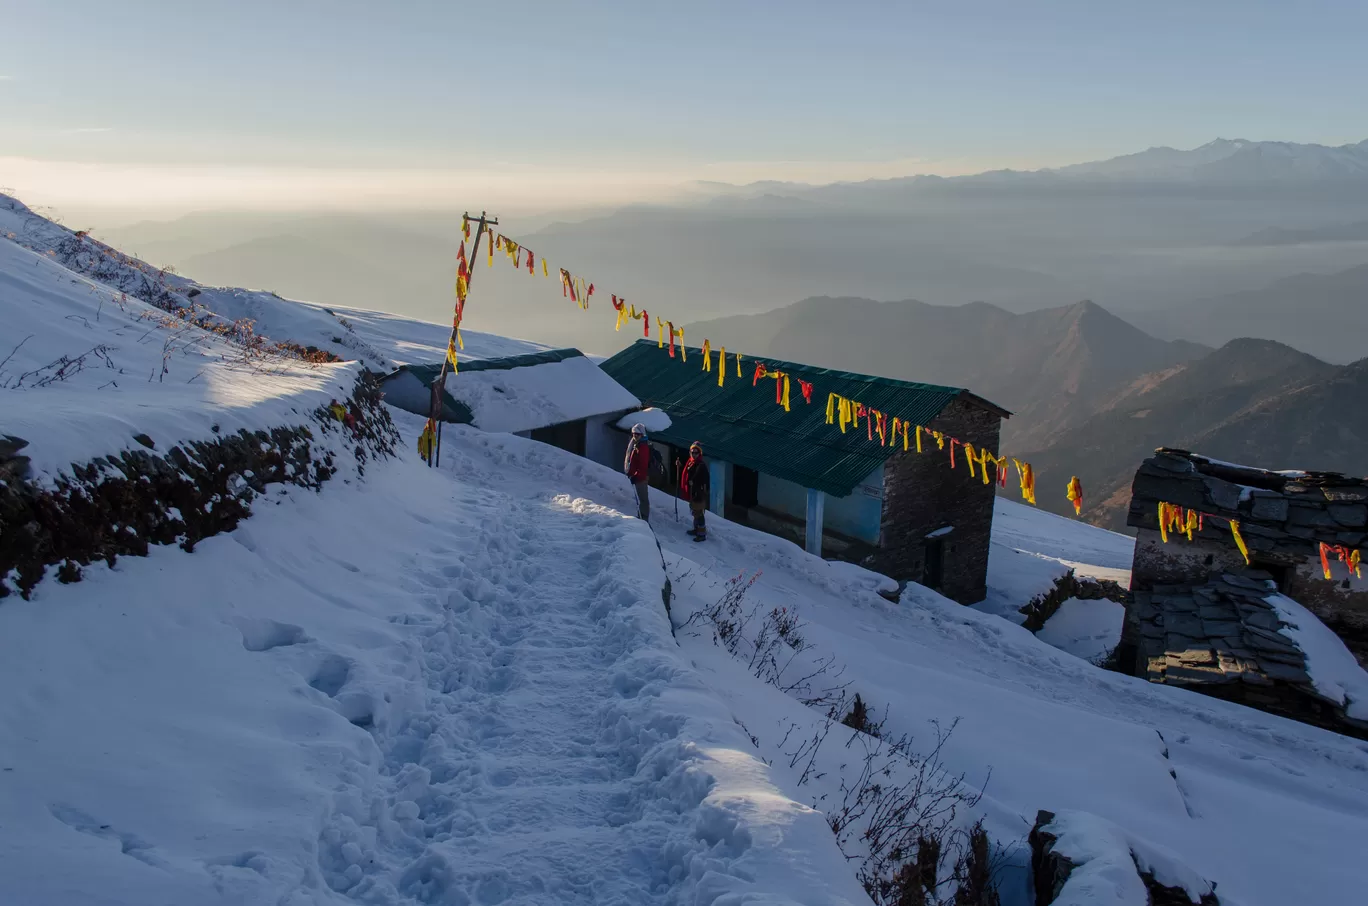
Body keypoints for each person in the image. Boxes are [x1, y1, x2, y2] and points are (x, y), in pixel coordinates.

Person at [679, 441, 711, 541]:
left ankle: (701, 534)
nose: (694, 454)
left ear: (700, 453)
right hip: (693, 492)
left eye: (696, 453)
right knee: (695, 512)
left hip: (698, 493)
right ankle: (696, 529)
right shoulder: (691, 462)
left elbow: (704, 480)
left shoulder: (701, 465)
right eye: (692, 452)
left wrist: (695, 484)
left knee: (699, 513)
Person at [624, 423, 653, 522]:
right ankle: (641, 517)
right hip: (638, 476)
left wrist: (636, 476)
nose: (635, 436)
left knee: (643, 499)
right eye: (633, 433)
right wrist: (631, 473)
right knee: (641, 498)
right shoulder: (638, 444)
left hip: (641, 477)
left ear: (642, 434)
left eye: (637, 434)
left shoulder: (643, 447)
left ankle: (644, 519)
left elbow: (643, 466)